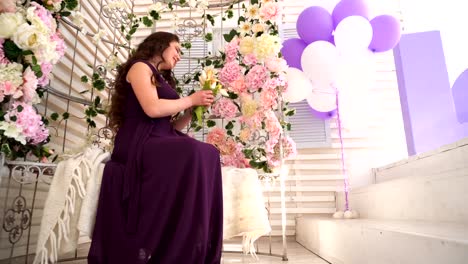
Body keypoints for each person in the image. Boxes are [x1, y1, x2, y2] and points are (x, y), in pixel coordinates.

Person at [88, 32, 223, 264]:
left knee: (208, 152)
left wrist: (192, 110)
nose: (179, 55)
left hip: (159, 138)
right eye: (177, 49)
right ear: (159, 45)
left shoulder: (160, 77)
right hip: (138, 142)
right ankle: (177, 242)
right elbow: (151, 109)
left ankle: (190, 238)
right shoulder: (140, 67)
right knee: (194, 151)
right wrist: (191, 99)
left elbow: (169, 125)